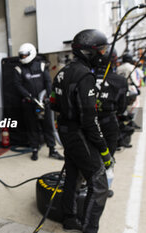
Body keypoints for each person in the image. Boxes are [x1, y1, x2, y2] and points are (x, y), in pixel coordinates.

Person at [50, 29, 113, 233]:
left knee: (73, 174)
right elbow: (90, 122)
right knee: (99, 181)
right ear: (89, 52)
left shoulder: (62, 72)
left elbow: (52, 104)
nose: (103, 55)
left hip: (65, 131)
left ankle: (69, 218)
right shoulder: (85, 76)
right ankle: (90, 229)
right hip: (78, 133)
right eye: (100, 50)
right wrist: (104, 151)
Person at [13, 42, 63, 161]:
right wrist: (28, 96)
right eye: (21, 55)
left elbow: (48, 82)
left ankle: (52, 150)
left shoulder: (41, 65)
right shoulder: (18, 68)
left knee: (48, 126)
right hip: (29, 103)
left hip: (43, 102)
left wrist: (48, 97)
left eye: (25, 55)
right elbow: (17, 84)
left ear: (31, 53)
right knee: (32, 127)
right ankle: (34, 149)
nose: (23, 58)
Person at [93, 48, 128, 197]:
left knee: (90, 153)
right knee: (108, 157)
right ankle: (105, 188)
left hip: (88, 122)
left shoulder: (86, 77)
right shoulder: (120, 81)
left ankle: (87, 183)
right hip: (108, 123)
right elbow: (122, 108)